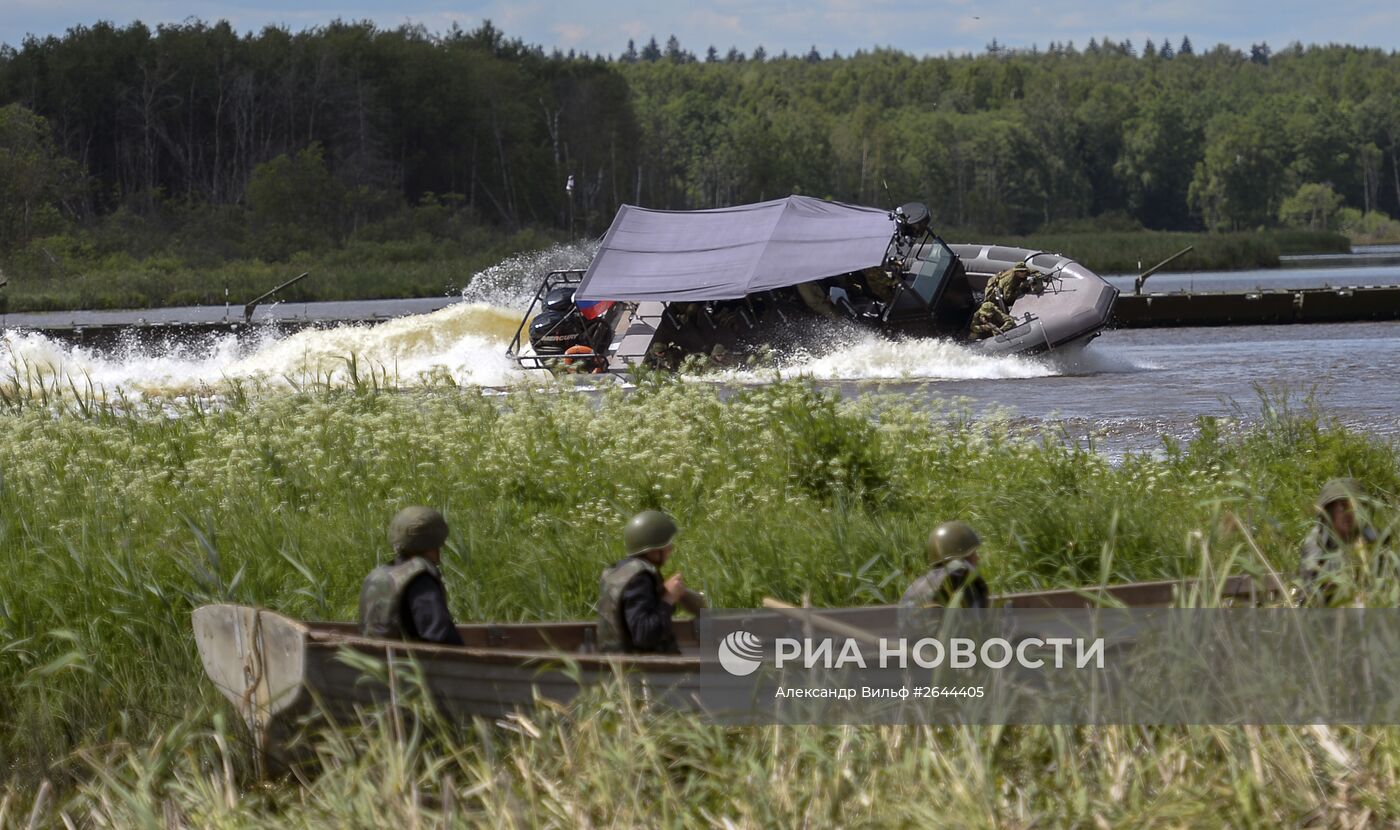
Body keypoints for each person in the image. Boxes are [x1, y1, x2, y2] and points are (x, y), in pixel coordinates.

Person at [597, 510, 703, 653]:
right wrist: (668, 599)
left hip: (619, 662)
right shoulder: (639, 579)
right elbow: (645, 634)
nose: (670, 549)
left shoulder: (622, 571)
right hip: (641, 670)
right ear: (653, 550)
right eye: (667, 545)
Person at [358, 506, 464, 646]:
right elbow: (440, 635)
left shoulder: (377, 575)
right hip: (412, 664)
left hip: (375, 658)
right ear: (436, 542)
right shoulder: (419, 578)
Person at [1299, 478, 1388, 605]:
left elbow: (1385, 580)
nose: (1348, 513)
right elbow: (1308, 599)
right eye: (1342, 506)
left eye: (1354, 506)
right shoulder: (1317, 543)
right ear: (1328, 512)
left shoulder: (1372, 537)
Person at [901, 520, 991, 609]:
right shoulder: (963, 581)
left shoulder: (916, 586)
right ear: (964, 555)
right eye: (974, 552)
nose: (977, 558)